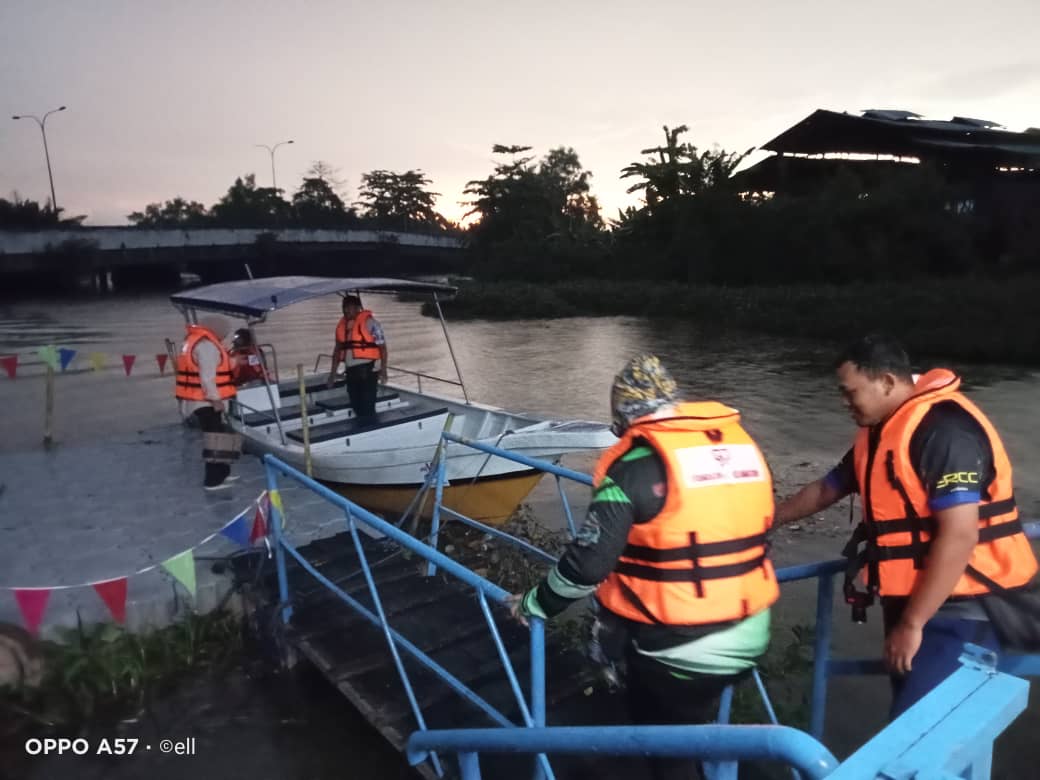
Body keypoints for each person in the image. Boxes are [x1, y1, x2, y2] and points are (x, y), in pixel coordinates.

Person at [512, 354, 778, 780]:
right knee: (688, 727)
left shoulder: (635, 467)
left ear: (623, 415)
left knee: (666, 753)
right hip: (750, 629)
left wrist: (534, 604)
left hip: (683, 648)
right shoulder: (736, 448)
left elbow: (586, 567)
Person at [775, 334, 1038, 719]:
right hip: (914, 602)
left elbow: (960, 534)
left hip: (963, 608)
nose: (843, 402)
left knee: (923, 730)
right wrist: (768, 520)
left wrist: (912, 624)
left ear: (886, 381)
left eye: (850, 392)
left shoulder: (945, 430)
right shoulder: (881, 432)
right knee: (919, 725)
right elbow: (828, 488)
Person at [174, 315, 239, 490]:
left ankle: (224, 473)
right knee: (214, 439)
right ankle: (213, 481)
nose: (225, 336)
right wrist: (215, 399)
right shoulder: (207, 346)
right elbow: (207, 377)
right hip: (205, 402)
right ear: (216, 330)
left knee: (221, 436)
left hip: (200, 399)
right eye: (224, 332)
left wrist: (232, 359)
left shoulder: (198, 342)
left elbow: (219, 366)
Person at [326, 294, 387, 421]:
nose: (346, 311)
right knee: (356, 405)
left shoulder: (371, 323)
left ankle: (371, 427)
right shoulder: (342, 326)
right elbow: (337, 351)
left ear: (358, 308)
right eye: (344, 308)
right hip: (351, 373)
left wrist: (383, 370)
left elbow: (383, 348)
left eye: (349, 307)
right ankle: (364, 424)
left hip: (368, 372)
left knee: (368, 406)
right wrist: (332, 374)